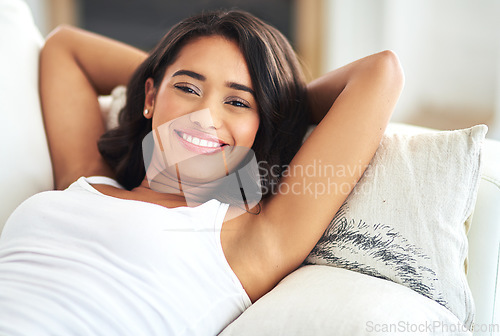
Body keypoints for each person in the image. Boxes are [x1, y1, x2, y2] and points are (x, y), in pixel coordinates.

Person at [0, 8, 404, 336]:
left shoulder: (251, 238)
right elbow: (65, 47)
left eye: (238, 103)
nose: (204, 117)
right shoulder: (86, 179)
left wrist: (280, 106)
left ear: (263, 124)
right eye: (188, 89)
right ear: (150, 96)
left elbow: (380, 72)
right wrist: (161, 77)